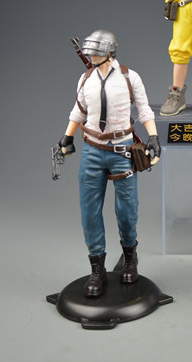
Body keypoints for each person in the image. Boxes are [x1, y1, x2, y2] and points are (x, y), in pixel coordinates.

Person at [56, 30, 161, 298]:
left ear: (109, 52)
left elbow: (144, 109)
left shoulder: (129, 77)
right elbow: (80, 110)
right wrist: (67, 136)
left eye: (96, 52)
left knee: (127, 209)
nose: (91, 56)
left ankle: (129, 257)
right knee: (89, 211)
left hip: (122, 151)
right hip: (92, 150)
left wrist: (153, 136)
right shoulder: (86, 78)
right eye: (89, 52)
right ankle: (97, 268)